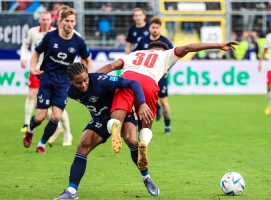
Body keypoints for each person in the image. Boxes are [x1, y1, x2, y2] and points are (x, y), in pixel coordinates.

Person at [97, 41, 238, 196]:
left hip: (127, 79)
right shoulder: (165, 55)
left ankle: (116, 127)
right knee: (144, 129)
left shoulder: (134, 54)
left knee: (116, 121)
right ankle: (144, 141)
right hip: (148, 83)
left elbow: (110, 66)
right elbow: (188, 48)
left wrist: (91, 80)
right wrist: (219, 45)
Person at [54, 63, 158, 199]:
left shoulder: (100, 80)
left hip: (121, 114)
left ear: (88, 74)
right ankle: (72, 191)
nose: (83, 85)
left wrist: (142, 103)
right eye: (78, 83)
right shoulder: (71, 92)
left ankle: (146, 178)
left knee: (131, 140)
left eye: (85, 80)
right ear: (70, 81)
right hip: (100, 120)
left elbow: (133, 83)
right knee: (82, 146)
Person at [22, 7, 93, 153]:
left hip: (65, 83)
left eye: (72, 21)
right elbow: (36, 52)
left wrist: (88, 77)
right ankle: (30, 129)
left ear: (75, 22)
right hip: (47, 79)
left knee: (56, 116)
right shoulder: (50, 36)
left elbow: (87, 59)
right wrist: (32, 67)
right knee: (41, 117)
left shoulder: (78, 41)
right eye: (67, 21)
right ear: (61, 21)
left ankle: (41, 144)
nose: (69, 24)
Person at [19, 11, 61, 133]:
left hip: (51, 70)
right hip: (36, 68)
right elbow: (25, 45)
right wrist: (23, 57)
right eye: (43, 19)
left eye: (47, 19)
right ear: (39, 20)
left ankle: (57, 124)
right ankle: (26, 123)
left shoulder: (56, 33)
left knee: (50, 102)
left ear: (51, 20)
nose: (45, 21)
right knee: (31, 94)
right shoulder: (32, 32)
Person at [48, 4, 82, 146]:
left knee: (59, 107)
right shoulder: (51, 34)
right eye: (63, 17)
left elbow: (83, 57)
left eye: (69, 19)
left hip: (65, 77)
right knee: (42, 106)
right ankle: (60, 127)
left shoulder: (76, 36)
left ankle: (67, 133)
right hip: (49, 75)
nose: (65, 21)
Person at [135, 16, 173, 134]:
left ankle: (167, 126)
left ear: (160, 29)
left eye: (157, 27)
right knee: (140, 101)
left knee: (164, 101)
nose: (155, 29)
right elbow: (136, 54)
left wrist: (167, 68)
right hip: (145, 75)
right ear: (149, 28)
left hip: (160, 75)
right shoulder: (143, 41)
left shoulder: (166, 42)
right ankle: (137, 126)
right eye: (153, 27)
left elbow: (173, 57)